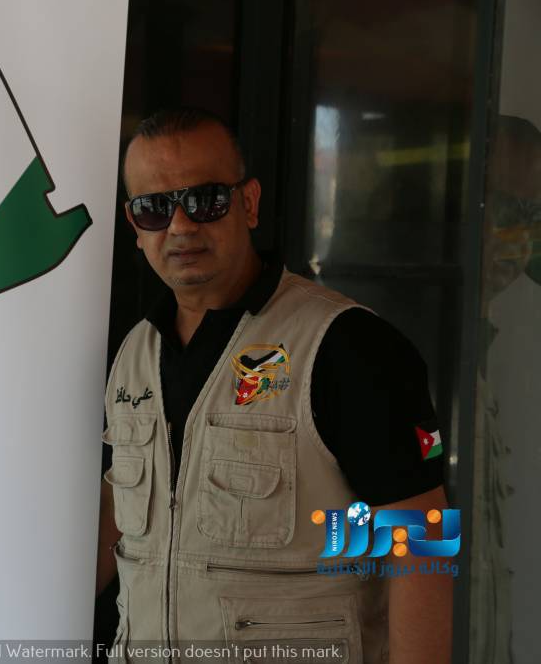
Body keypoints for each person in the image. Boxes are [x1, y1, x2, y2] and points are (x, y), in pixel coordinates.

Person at [96, 108, 452, 663]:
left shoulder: (347, 346)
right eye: (154, 208)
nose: (181, 226)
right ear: (133, 225)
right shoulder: (134, 353)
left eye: (205, 199)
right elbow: (120, 512)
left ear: (249, 202)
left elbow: (422, 541)